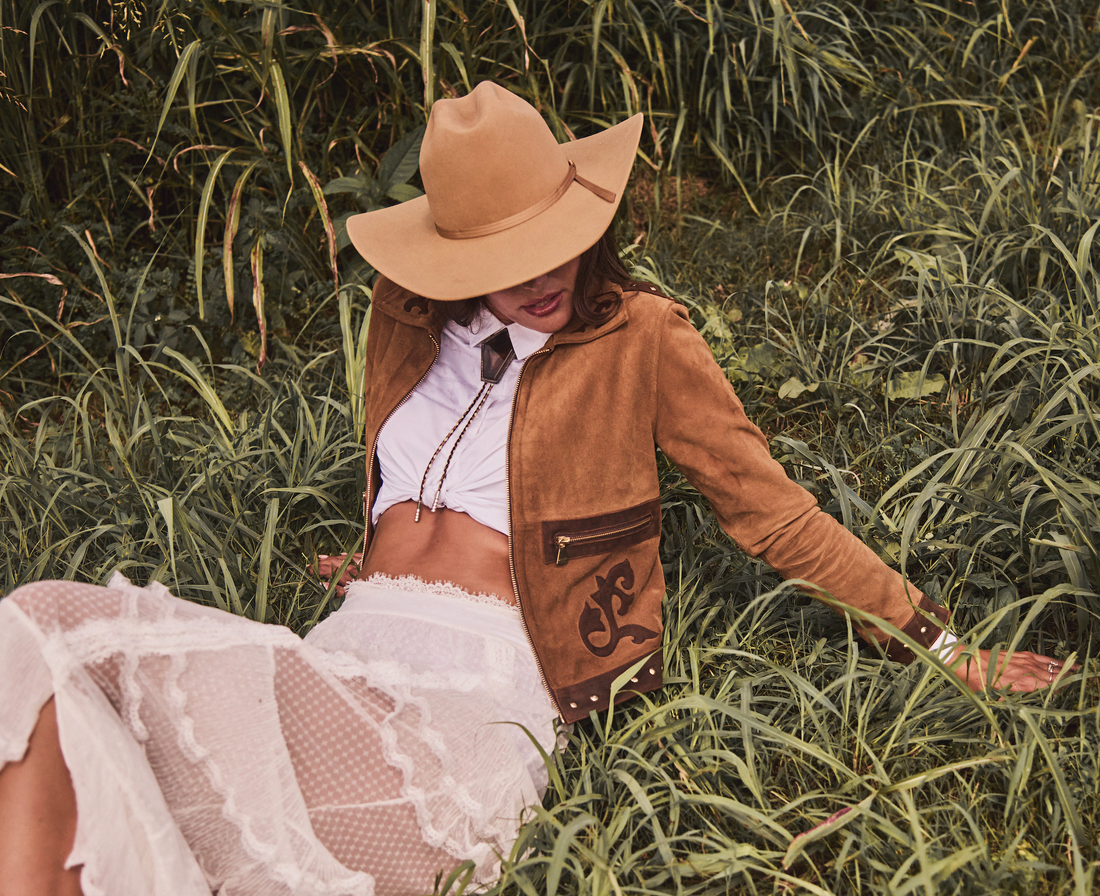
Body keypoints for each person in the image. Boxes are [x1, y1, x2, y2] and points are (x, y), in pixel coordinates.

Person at [0, 81, 1069, 896]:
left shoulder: (641, 336)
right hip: (338, 652)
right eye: (507, 256)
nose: (545, 272)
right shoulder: (406, 316)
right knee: (51, 685)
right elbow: (404, 477)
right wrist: (371, 556)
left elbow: (771, 509)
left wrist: (943, 647)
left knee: (85, 682)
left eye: (553, 239)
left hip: (470, 698)